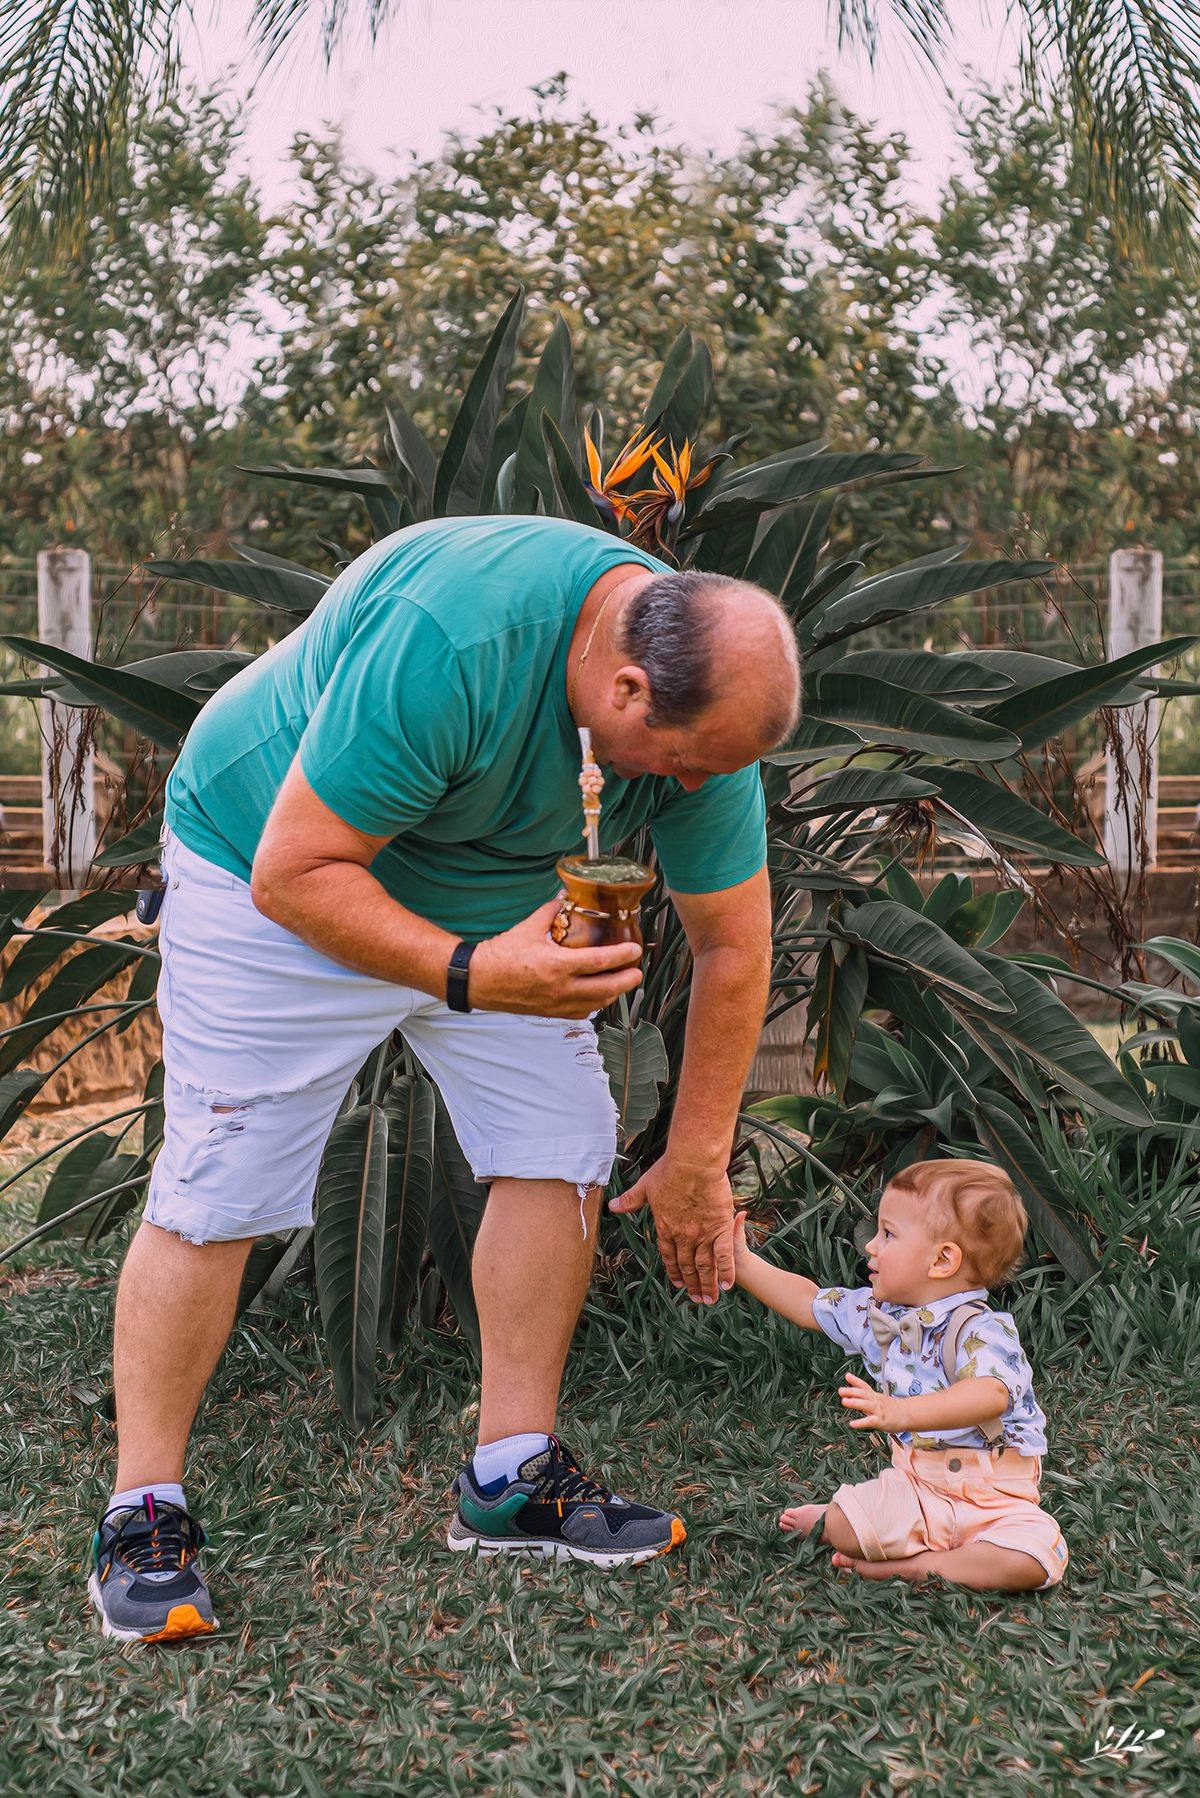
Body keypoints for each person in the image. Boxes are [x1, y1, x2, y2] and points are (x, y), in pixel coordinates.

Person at [88, 513, 801, 1642]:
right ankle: (143, 1511)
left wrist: (699, 1157)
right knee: (220, 1183)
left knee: (561, 1143)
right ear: (622, 689)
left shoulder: (709, 703)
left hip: (494, 910)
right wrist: (473, 975)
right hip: (270, 869)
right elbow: (295, 871)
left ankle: (510, 1475)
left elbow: (733, 944)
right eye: (685, 763)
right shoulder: (455, 638)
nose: (695, 787)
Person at [733, 1159, 1068, 1592]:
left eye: (888, 1234)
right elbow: (809, 1302)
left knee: (1036, 1562)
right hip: (918, 1488)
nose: (871, 1246)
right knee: (845, 1527)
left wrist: (902, 1412)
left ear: (943, 1259)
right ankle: (852, 1521)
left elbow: (990, 1394)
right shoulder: (879, 1315)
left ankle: (917, 1565)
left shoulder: (983, 1329)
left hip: (997, 1499)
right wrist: (742, 1263)